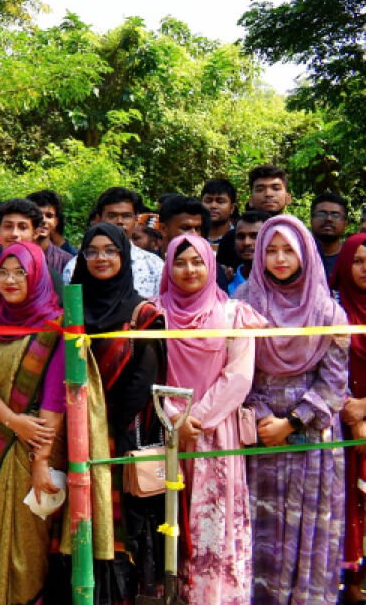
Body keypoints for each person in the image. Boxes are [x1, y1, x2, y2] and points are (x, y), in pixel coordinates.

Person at [54, 222, 168, 604]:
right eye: (92, 251)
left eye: (110, 251)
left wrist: (102, 427)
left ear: (124, 256)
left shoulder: (143, 313)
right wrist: (75, 424)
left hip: (122, 433)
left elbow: (143, 382)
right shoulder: (71, 309)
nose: (101, 258)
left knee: (122, 521)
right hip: (71, 429)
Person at [238, 215, 348, 605]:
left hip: (311, 437)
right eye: (271, 249)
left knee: (306, 529)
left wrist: (291, 423)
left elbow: (336, 383)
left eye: (289, 250)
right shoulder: (244, 306)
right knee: (258, 529)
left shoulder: (328, 313)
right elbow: (236, 371)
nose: (280, 258)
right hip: (257, 431)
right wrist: (261, 414)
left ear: (305, 253)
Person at [158, 235, 262, 605]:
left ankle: (213, 596)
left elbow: (239, 376)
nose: (189, 270)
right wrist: (174, 419)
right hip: (165, 431)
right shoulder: (155, 314)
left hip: (216, 434)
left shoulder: (234, 314)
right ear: (168, 266)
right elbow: (149, 373)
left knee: (214, 521)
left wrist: (194, 421)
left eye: (197, 261)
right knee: (169, 517)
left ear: (210, 265)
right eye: (180, 262)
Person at [0, 241, 66, 605]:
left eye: (20, 272)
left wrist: (40, 463)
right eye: (3, 273)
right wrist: (11, 420)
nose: (9, 280)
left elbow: (55, 400)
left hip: (35, 447)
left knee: (27, 540)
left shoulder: (56, 327)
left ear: (37, 277)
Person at [334, 233, 366, 602]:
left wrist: (365, 407)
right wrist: (350, 409)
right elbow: (324, 366)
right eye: (357, 260)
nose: (364, 269)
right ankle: (352, 583)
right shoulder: (333, 309)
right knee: (348, 504)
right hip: (340, 422)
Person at [62, 187, 164, 298]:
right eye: (112, 216)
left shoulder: (154, 266)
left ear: (136, 220)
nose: (119, 222)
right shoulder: (75, 267)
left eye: (126, 216)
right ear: (99, 219)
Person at [0, 199, 62, 309]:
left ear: (36, 233)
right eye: (8, 227)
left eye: (22, 227)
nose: (14, 234)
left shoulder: (52, 280)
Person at [26, 189, 74, 271]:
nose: (43, 220)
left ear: (56, 222)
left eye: (49, 216)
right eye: (37, 214)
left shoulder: (66, 261)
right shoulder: (14, 257)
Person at [226, 210, 269, 296]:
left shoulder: (282, 286)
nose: (246, 242)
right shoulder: (224, 284)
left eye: (254, 236)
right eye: (241, 237)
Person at [310, 192, 350, 280]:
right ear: (311, 220)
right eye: (322, 214)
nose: (328, 219)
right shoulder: (301, 256)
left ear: (345, 224)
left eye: (335, 215)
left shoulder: (352, 258)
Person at [200, 178, 238, 254]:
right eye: (208, 201)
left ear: (232, 208)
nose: (213, 206)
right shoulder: (193, 236)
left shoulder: (238, 238)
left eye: (220, 201)